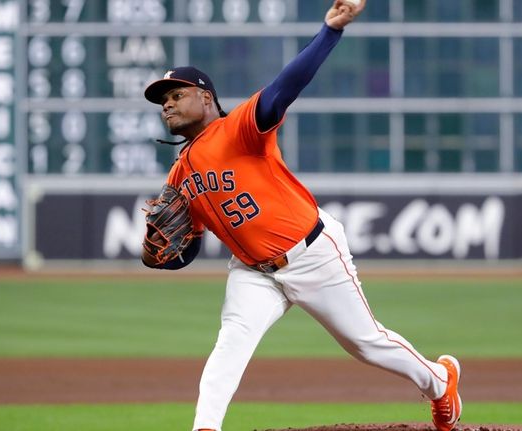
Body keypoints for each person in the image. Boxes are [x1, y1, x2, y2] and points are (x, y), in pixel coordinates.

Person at [141, 1, 461, 430]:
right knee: (231, 344)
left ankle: (440, 381)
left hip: (312, 253)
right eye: (163, 100)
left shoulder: (238, 128)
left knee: (366, 344)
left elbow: (284, 87)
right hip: (254, 272)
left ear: (206, 97)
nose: (167, 105)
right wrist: (168, 253)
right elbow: (189, 245)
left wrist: (330, 31)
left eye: (176, 95)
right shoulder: (179, 174)